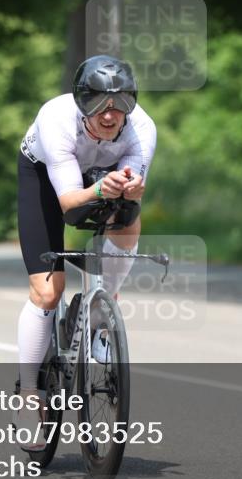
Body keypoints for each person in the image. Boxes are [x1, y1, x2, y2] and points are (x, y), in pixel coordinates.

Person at [13, 54, 156, 450]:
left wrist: (129, 189)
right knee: (47, 292)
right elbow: (71, 207)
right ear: (81, 103)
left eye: (120, 105)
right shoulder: (56, 119)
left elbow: (132, 192)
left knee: (129, 215)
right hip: (48, 178)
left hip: (100, 175)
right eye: (98, 107)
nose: (110, 116)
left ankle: (103, 304)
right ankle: (29, 396)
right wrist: (98, 190)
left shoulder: (142, 129)